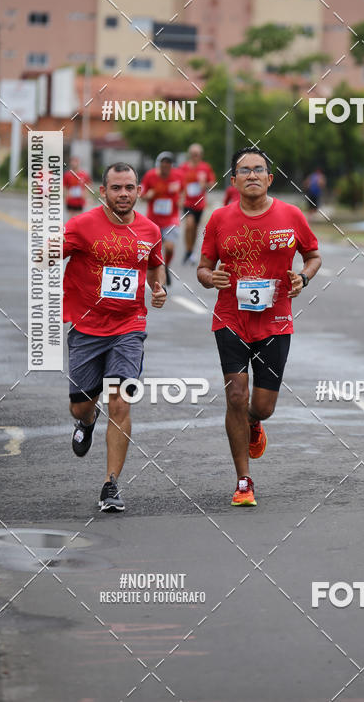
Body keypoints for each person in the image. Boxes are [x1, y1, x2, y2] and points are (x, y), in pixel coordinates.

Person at [197, 147, 322, 507]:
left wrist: (303, 278)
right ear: (233, 180)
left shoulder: (292, 215)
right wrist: (211, 278)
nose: (252, 175)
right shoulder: (219, 219)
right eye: (244, 170)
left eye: (259, 170)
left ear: (270, 178)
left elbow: (313, 256)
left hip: (275, 321)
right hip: (230, 319)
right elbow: (203, 267)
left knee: (262, 406)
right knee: (236, 396)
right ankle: (243, 480)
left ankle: (254, 422)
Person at [63, 162, 167, 512]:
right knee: (81, 404)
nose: (123, 194)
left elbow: (155, 262)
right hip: (87, 328)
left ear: (139, 191)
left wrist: (159, 286)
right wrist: (45, 252)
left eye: (129, 187)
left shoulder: (150, 230)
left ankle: (111, 485)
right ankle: (86, 420)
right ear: (103, 191)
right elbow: (50, 252)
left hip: (129, 326)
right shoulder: (81, 226)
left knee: (120, 402)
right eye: (116, 188)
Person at [140, 151, 183, 286]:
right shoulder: (150, 176)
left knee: (169, 247)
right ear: (159, 165)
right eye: (163, 164)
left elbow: (183, 191)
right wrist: (148, 195)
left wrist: (181, 200)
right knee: (151, 250)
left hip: (171, 219)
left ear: (171, 165)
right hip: (153, 220)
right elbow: (141, 194)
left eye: (168, 164)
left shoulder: (178, 176)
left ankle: (166, 266)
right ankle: (154, 270)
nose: (166, 166)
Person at [180, 143, 215, 264]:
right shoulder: (184, 168)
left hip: (200, 204)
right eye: (193, 154)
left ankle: (190, 251)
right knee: (189, 225)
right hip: (187, 202)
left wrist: (204, 184)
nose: (195, 156)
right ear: (190, 155)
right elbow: (178, 182)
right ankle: (188, 250)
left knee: (194, 228)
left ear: (201, 155)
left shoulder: (205, 168)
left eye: (198, 154)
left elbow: (212, 184)